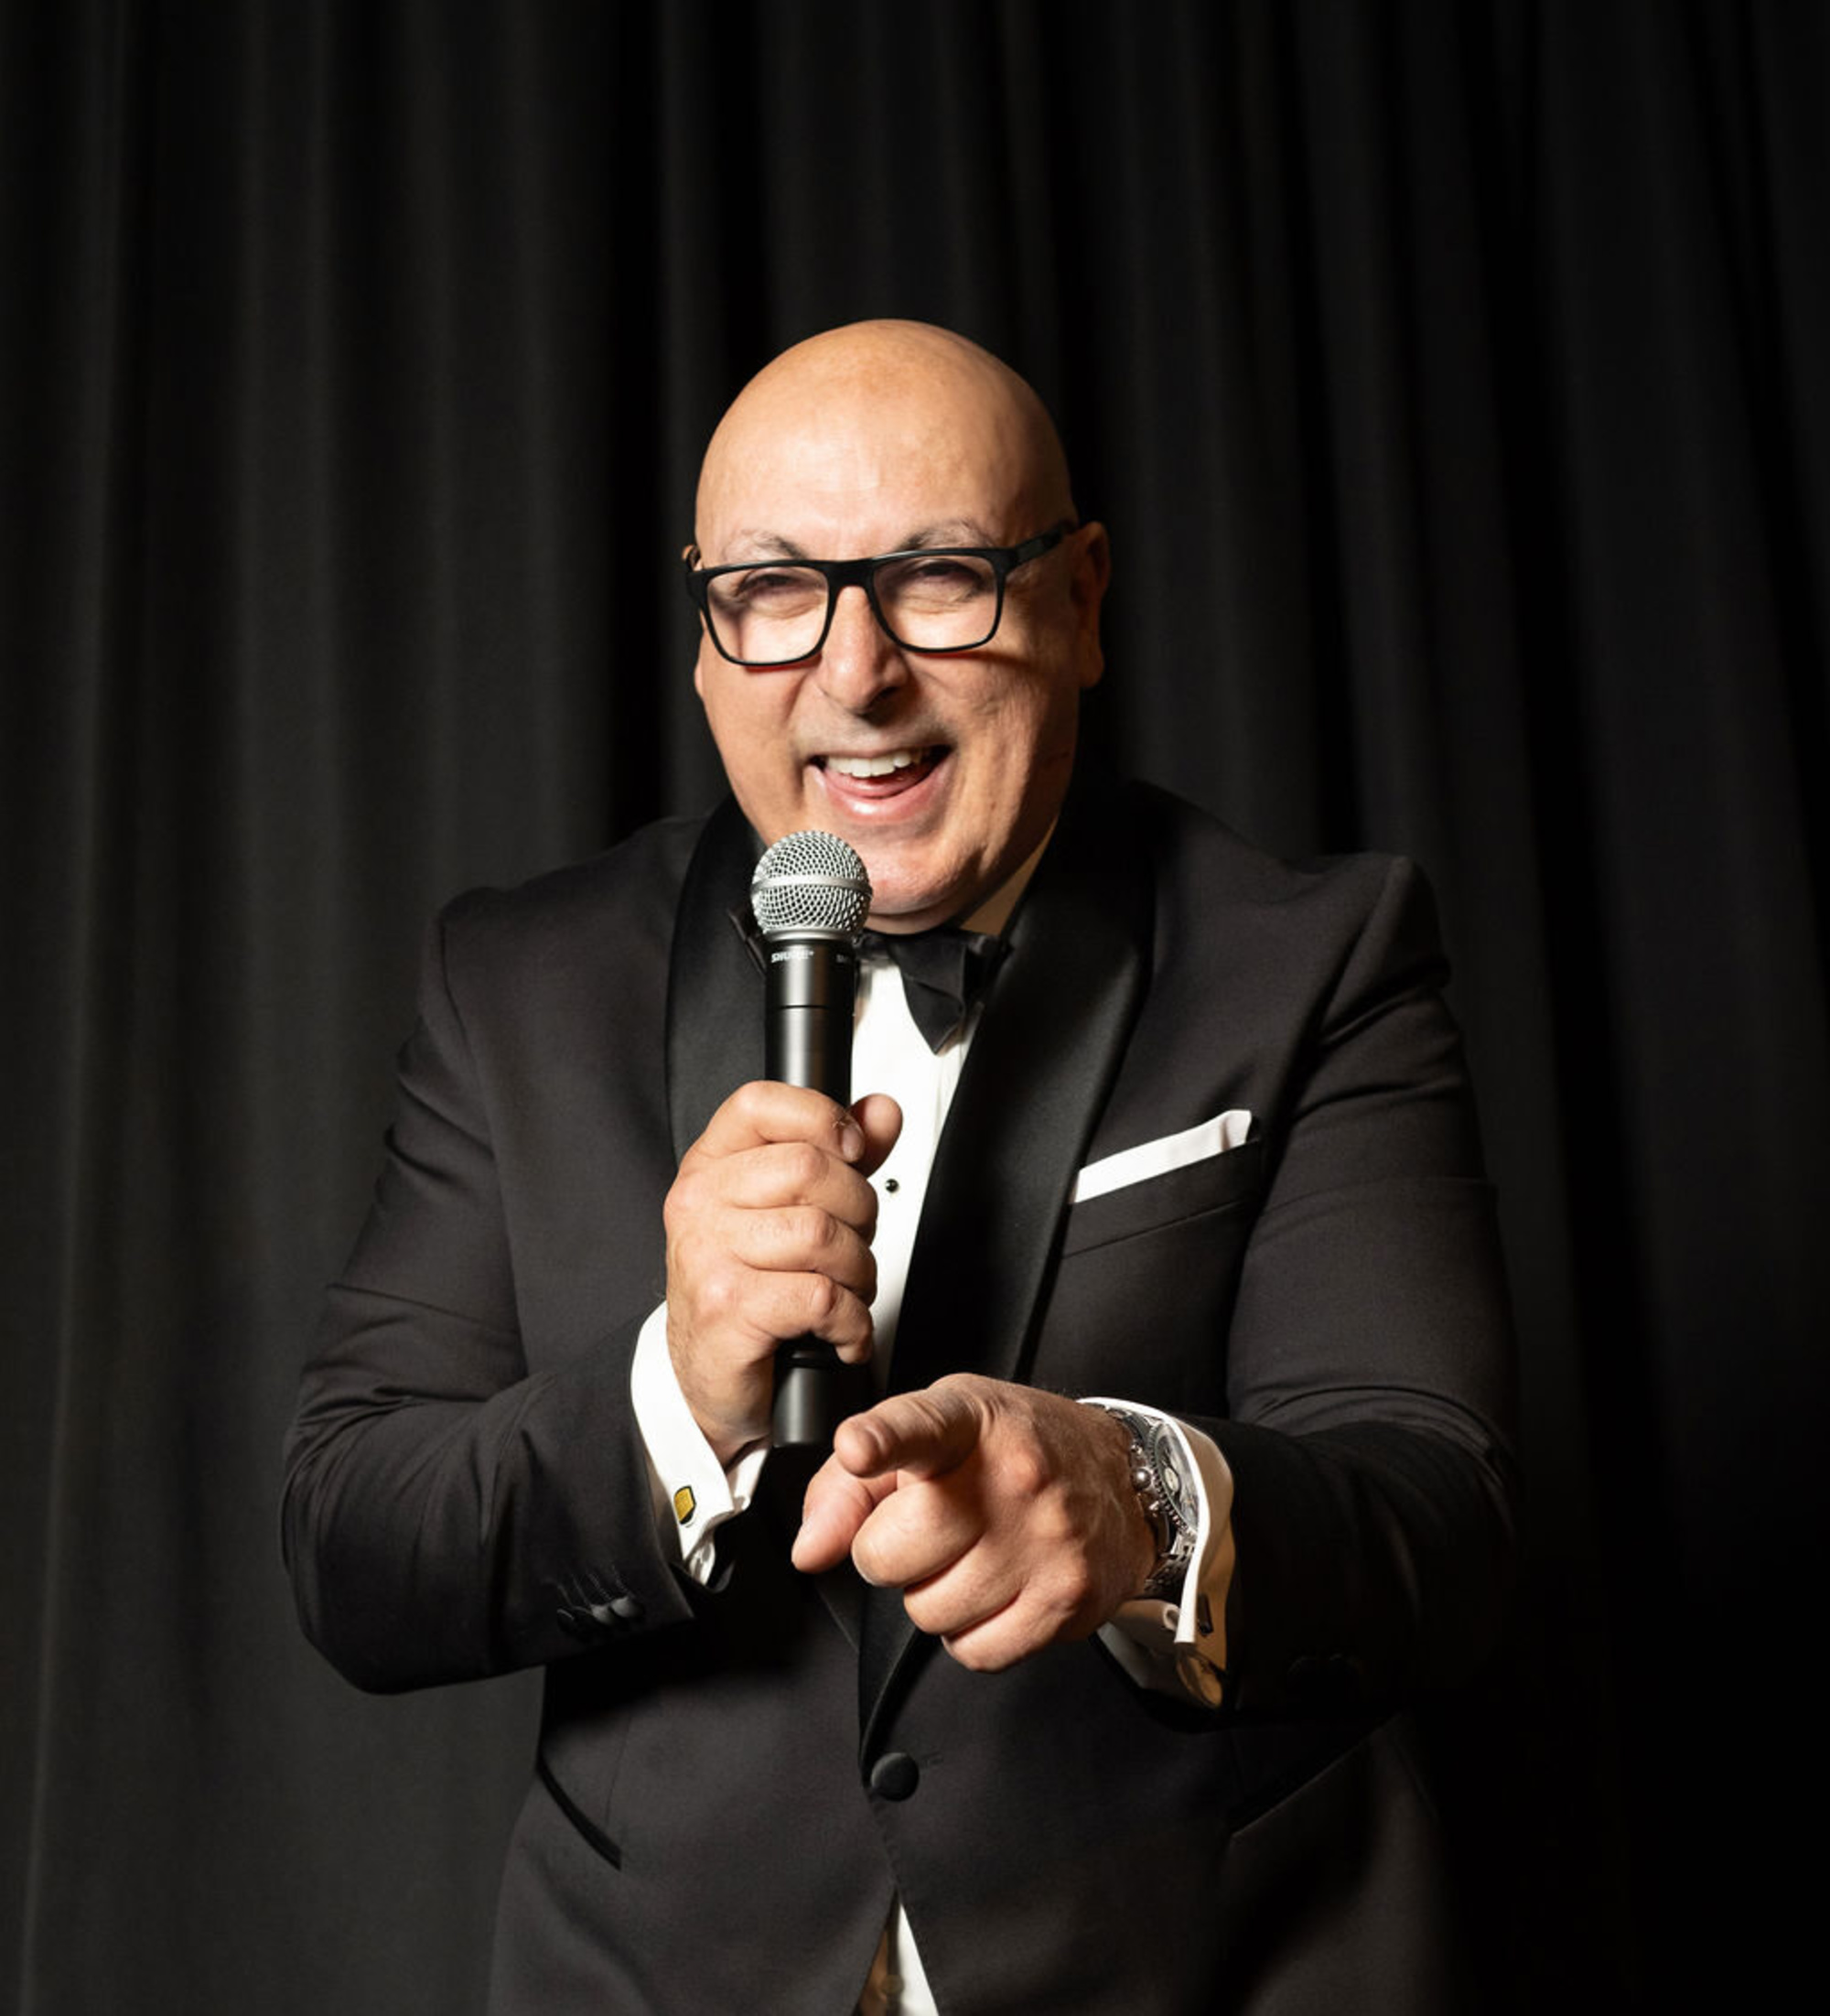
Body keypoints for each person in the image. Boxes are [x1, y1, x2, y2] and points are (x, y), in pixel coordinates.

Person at [284, 319, 1517, 2013]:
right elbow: (353, 1545)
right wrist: (670, 1395)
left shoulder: (1313, 954)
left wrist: (1138, 1500)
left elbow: (1442, 1520)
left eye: (941, 578)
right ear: (708, 641)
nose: (856, 675)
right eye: (776, 593)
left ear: (1082, 601)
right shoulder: (516, 984)